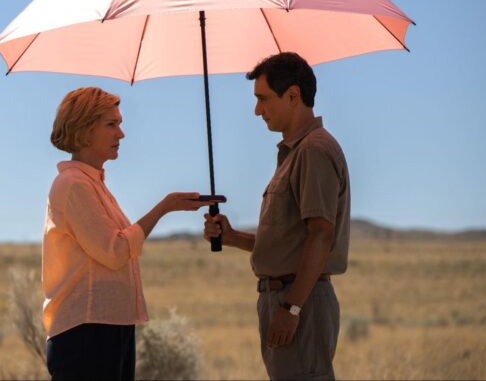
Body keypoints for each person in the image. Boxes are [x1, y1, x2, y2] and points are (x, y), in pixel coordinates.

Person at [43, 86, 213, 381]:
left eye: (119, 124)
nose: (121, 134)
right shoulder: (74, 185)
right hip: (87, 332)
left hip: (107, 328)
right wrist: (164, 207)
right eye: (112, 124)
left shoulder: (93, 185)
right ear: (84, 129)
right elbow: (116, 251)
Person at [204, 52, 350, 381]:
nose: (257, 110)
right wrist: (231, 237)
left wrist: (292, 308)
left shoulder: (313, 150)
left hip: (298, 301)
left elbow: (321, 235)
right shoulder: (295, 153)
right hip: (286, 300)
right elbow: (290, 242)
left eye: (263, 99)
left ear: (293, 95)